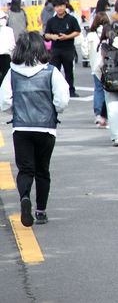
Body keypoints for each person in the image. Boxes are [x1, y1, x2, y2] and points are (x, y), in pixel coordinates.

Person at [0, 32, 70, 226]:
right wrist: (54, 111)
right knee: (42, 170)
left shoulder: (12, 72)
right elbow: (62, 99)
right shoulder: (51, 71)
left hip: (21, 127)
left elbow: (5, 101)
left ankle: (24, 197)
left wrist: (17, 111)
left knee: (25, 169)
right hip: (46, 128)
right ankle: (41, 211)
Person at [44, 0, 81, 97]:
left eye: (61, 6)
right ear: (54, 8)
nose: (60, 8)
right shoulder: (51, 21)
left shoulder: (71, 19)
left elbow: (77, 31)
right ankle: (55, 91)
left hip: (68, 48)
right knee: (55, 71)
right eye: (57, 7)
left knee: (69, 70)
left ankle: (71, 90)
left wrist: (67, 37)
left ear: (65, 6)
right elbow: (46, 34)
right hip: (55, 49)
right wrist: (53, 36)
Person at [87, 12, 110, 128]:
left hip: (94, 67)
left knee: (98, 90)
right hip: (107, 66)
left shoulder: (90, 35)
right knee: (108, 90)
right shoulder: (109, 34)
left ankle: (98, 114)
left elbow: (85, 52)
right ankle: (106, 115)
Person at [0, 11, 15, 83]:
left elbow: (12, 44)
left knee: (6, 76)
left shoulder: (9, 30)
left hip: (6, 56)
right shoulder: (9, 30)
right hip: (5, 55)